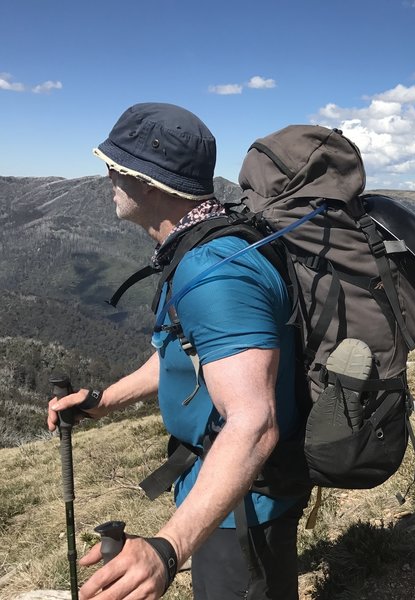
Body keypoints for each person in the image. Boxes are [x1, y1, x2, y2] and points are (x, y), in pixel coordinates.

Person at [47, 103, 308, 599]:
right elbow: (184, 352)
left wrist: (168, 548)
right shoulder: (192, 250)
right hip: (221, 488)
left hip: (245, 503)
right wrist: (104, 402)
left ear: (149, 181)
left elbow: (254, 422)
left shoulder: (216, 272)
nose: (107, 177)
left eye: (116, 167)